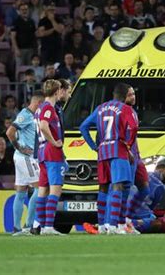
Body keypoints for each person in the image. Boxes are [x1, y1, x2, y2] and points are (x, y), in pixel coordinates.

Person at [79, 83, 138, 234]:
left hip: (103, 151)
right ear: (125, 96)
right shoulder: (126, 109)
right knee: (120, 186)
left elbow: (83, 127)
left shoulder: (100, 108)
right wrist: (129, 145)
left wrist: (94, 146)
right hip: (118, 150)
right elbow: (134, 127)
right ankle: (114, 226)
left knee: (104, 188)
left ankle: (102, 225)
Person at [6, 91, 44, 236]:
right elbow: (10, 132)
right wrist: (19, 147)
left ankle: (16, 228)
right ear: (38, 103)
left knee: (21, 191)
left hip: (21, 157)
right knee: (40, 188)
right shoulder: (25, 115)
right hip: (25, 157)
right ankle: (28, 226)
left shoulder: (31, 116)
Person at [31, 80, 66, 235]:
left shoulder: (39, 109)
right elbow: (44, 126)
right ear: (57, 91)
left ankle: (42, 225)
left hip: (42, 152)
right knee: (55, 189)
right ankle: (48, 227)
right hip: (51, 151)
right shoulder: (48, 108)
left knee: (43, 190)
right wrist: (55, 142)